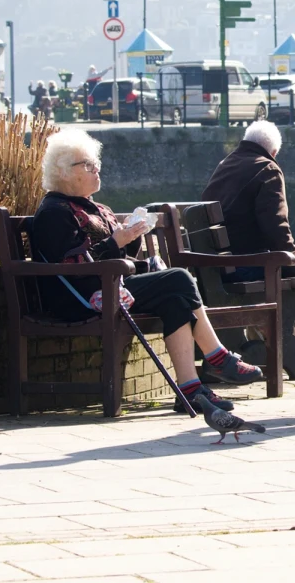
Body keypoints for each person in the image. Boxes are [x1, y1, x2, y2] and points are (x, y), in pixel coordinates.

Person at [31, 130, 266, 413]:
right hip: (80, 298)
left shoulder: (97, 208)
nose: (97, 170)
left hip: (108, 286)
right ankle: (218, 357)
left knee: (175, 299)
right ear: (64, 172)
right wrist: (116, 241)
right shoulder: (55, 212)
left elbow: (116, 259)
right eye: (89, 166)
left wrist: (131, 238)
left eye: (97, 164)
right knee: (179, 277)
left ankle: (190, 390)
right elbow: (75, 267)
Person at [202, 120, 295, 283]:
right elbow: (277, 228)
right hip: (245, 266)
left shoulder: (224, 165)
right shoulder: (268, 169)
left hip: (217, 266)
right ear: (273, 153)